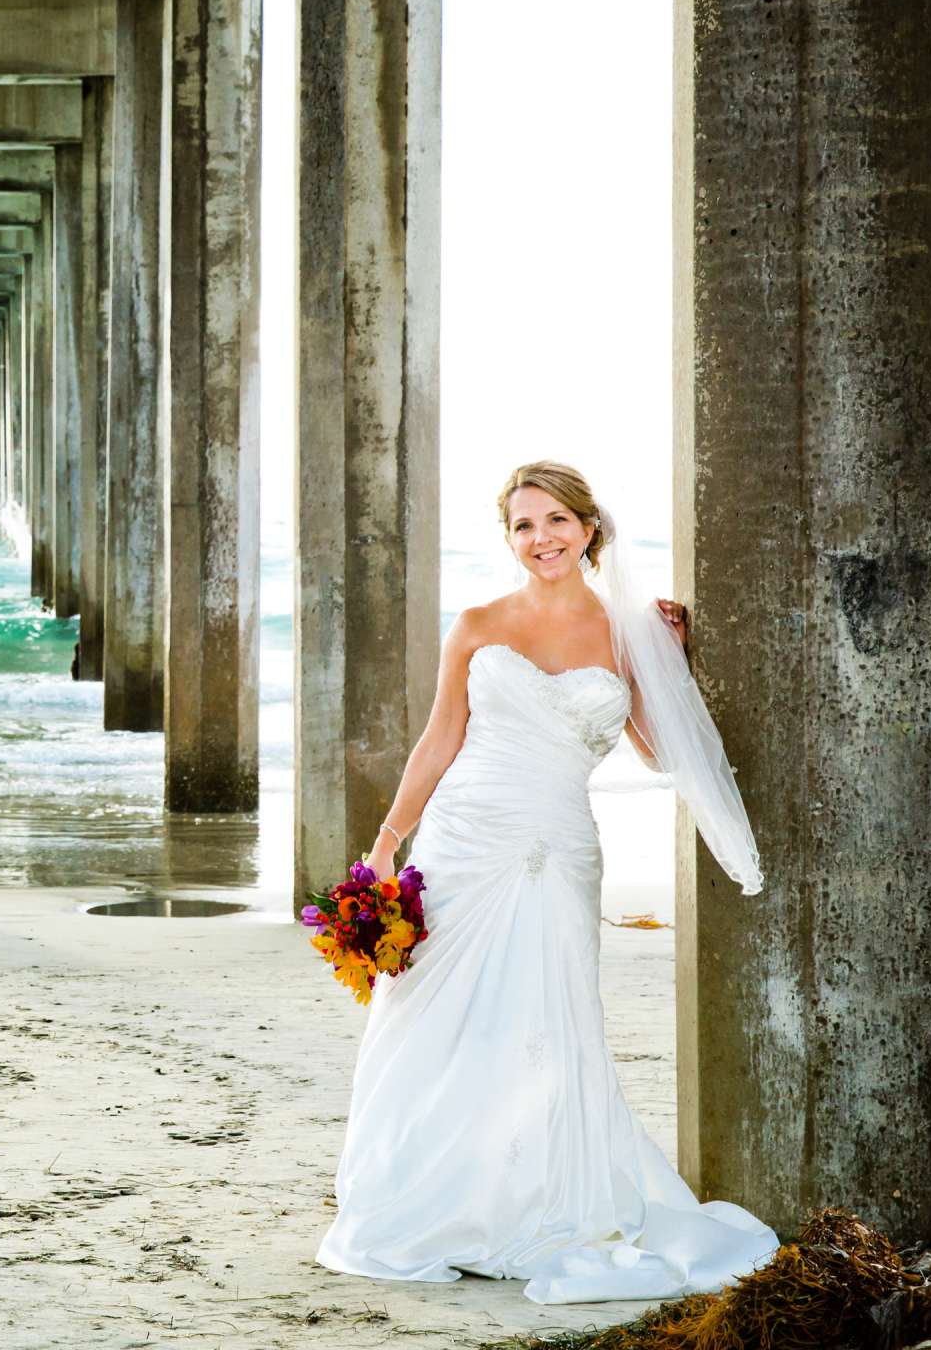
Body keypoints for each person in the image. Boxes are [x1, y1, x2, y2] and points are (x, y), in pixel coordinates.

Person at [315, 460, 776, 1304]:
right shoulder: (480, 623)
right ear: (510, 538)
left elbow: (652, 750)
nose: (542, 540)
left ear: (589, 528)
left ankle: (538, 1196)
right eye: (525, 526)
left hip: (559, 844)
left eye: (557, 521)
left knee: (547, 1014)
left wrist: (669, 663)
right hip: (461, 839)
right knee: (437, 1015)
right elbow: (438, 740)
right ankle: (433, 1201)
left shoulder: (629, 632)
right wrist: (386, 844)